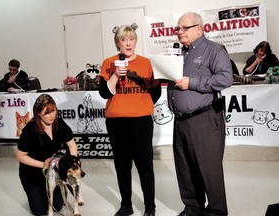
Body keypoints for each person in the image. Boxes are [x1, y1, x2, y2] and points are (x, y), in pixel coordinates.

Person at [169, 12, 233, 216]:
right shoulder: (179, 53)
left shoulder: (213, 50)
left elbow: (225, 78)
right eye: (177, 28)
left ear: (199, 28)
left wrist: (193, 83)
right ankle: (192, 208)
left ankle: (216, 212)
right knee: (185, 170)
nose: (179, 32)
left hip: (204, 119)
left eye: (183, 28)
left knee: (209, 170)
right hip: (180, 122)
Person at [99, 24, 161, 216]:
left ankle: (150, 207)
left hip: (141, 120)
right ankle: (126, 205)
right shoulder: (109, 62)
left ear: (135, 40)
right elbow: (103, 93)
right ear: (117, 42)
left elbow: (156, 91)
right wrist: (116, 76)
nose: (128, 43)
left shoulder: (146, 63)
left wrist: (140, 103)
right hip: (116, 121)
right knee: (122, 165)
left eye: (131, 39)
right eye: (124, 39)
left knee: (145, 164)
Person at [16, 94, 78, 215]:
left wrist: (73, 162)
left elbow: (72, 145)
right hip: (32, 174)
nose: (52, 115)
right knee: (39, 211)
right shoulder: (30, 130)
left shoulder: (59, 123)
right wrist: (43, 164)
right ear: (38, 113)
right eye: (47, 113)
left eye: (54, 110)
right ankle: (35, 194)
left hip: (53, 172)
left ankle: (56, 192)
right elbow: (20, 156)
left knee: (57, 206)